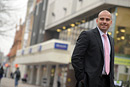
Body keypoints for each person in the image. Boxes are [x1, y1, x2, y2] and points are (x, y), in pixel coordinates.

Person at [71, 10, 115, 87]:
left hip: (107, 82)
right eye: (102, 19)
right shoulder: (87, 35)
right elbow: (76, 57)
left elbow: (110, 62)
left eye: (107, 20)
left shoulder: (111, 40)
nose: (104, 22)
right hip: (89, 82)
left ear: (111, 22)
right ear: (97, 21)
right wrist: (82, 78)